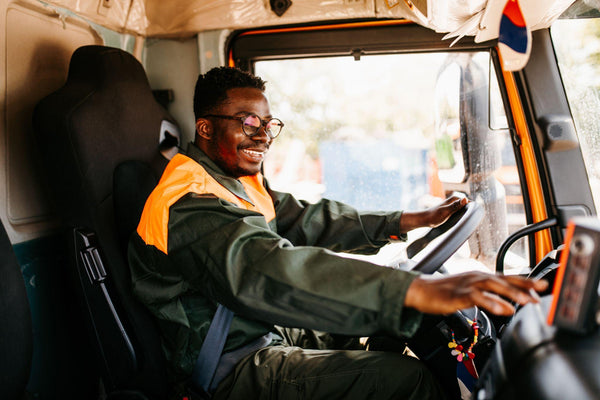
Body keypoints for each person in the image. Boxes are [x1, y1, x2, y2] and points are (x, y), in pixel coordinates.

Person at [128, 66, 547, 400]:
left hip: (260, 327)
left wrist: (407, 220)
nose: (263, 134)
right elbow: (268, 269)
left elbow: (308, 218)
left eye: (268, 123)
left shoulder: (231, 179)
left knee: (391, 329)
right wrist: (410, 290)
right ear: (204, 128)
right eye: (248, 121)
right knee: (408, 380)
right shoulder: (188, 201)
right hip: (232, 364)